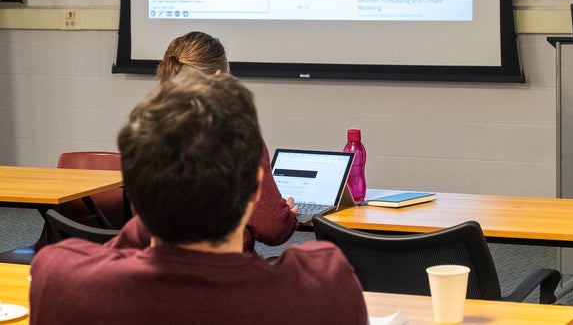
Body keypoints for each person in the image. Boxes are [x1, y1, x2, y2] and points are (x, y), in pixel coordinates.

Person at [29, 71, 368, 325]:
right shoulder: (324, 287)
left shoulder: (62, 283)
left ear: (134, 185)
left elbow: (114, 250)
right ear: (255, 190)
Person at [114, 31, 298, 252]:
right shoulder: (239, 136)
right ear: (220, 78)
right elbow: (273, 228)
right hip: (228, 275)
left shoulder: (144, 132)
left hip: (156, 270)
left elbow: (142, 217)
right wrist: (286, 218)